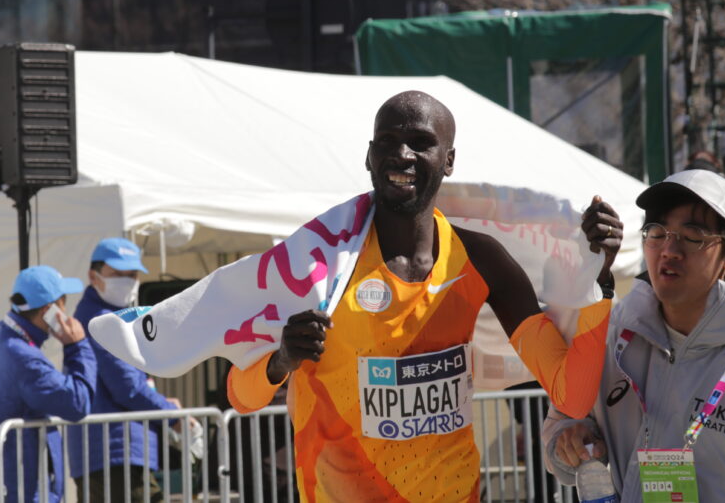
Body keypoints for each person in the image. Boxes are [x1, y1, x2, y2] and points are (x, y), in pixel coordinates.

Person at [225, 90, 623, 502]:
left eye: (420, 142)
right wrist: (281, 361)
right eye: (388, 141)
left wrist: (599, 279)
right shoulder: (319, 261)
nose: (402, 154)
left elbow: (571, 395)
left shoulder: (481, 259)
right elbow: (241, 395)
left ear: (448, 161)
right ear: (369, 156)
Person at [544, 169, 725, 500]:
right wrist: (569, 442)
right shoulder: (613, 337)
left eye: (692, 235)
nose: (669, 250)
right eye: (657, 232)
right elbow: (559, 426)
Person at [0, 265, 96, 503]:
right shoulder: (24, 358)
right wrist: (77, 346)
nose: (67, 311)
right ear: (48, 311)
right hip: (19, 491)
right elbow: (78, 403)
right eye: (63, 303)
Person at [67, 238, 182, 502]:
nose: (127, 281)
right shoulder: (101, 319)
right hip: (116, 449)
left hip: (115, 449)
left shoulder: (109, 314)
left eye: (132, 274)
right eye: (117, 274)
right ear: (93, 276)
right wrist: (171, 414)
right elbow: (127, 386)